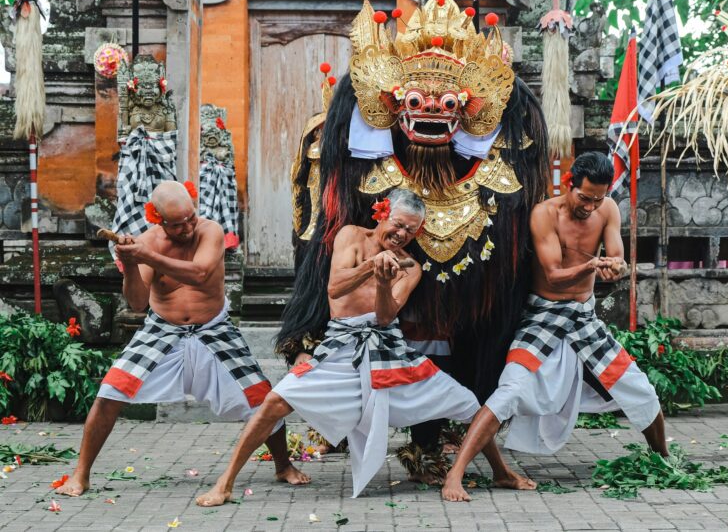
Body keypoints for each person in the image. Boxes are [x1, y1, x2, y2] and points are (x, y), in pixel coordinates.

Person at [196, 188, 534, 505]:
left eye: (411, 231)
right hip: (341, 345)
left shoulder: (411, 267)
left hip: (388, 348)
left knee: (469, 404)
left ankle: (500, 472)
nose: (402, 235)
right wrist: (373, 266)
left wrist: (386, 285)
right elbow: (334, 288)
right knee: (274, 401)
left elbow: (386, 318)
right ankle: (224, 483)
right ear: (382, 213)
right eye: (399, 225)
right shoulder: (351, 236)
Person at [56, 181, 308, 497]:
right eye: (177, 224)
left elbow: (200, 273)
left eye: (190, 217)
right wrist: (133, 265)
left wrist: (148, 255)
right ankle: (81, 474)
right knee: (110, 391)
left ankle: (283, 465)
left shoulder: (210, 231)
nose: (188, 227)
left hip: (214, 327)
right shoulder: (148, 242)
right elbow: (136, 302)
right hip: (162, 328)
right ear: (157, 218)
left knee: (260, 394)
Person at [442, 152, 668, 502]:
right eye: (584, 197)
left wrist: (616, 268)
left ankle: (664, 460)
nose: (590, 207)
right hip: (543, 317)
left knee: (639, 388)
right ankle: (454, 476)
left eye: (598, 199)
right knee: (509, 392)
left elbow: (618, 257)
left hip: (583, 319)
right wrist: (593, 265)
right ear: (568, 185)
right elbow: (553, 275)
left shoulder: (607, 208)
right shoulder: (544, 214)